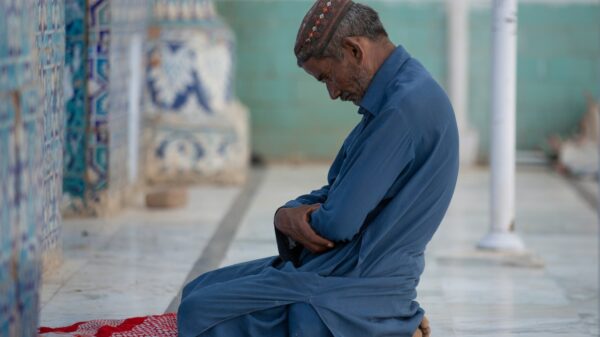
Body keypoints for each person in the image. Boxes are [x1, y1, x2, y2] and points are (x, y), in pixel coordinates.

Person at [177, 1, 458, 336]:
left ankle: (387, 322)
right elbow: (337, 191)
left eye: (327, 77)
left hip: (352, 284)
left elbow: (337, 223)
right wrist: (287, 214)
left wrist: (293, 217)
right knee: (200, 287)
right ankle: (392, 318)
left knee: (198, 310)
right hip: (345, 271)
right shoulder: (404, 91)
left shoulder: (400, 109)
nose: (333, 92)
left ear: (354, 50)